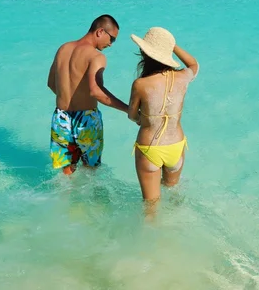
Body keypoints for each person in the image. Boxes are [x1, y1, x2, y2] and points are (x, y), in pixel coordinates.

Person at [47, 14, 129, 175]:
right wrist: (128, 109)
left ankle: (65, 199)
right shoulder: (96, 56)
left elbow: (51, 83)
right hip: (86, 119)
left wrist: (69, 98)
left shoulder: (63, 48)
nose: (111, 44)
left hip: (61, 117)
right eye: (112, 39)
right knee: (91, 171)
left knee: (66, 172)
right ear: (100, 32)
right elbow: (96, 91)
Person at [128, 27, 199, 206]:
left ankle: (150, 233)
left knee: (151, 208)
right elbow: (194, 65)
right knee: (174, 196)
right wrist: (172, 46)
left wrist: (141, 119)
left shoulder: (140, 84)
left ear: (145, 54)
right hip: (176, 146)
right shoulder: (183, 77)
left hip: (150, 147)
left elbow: (132, 115)